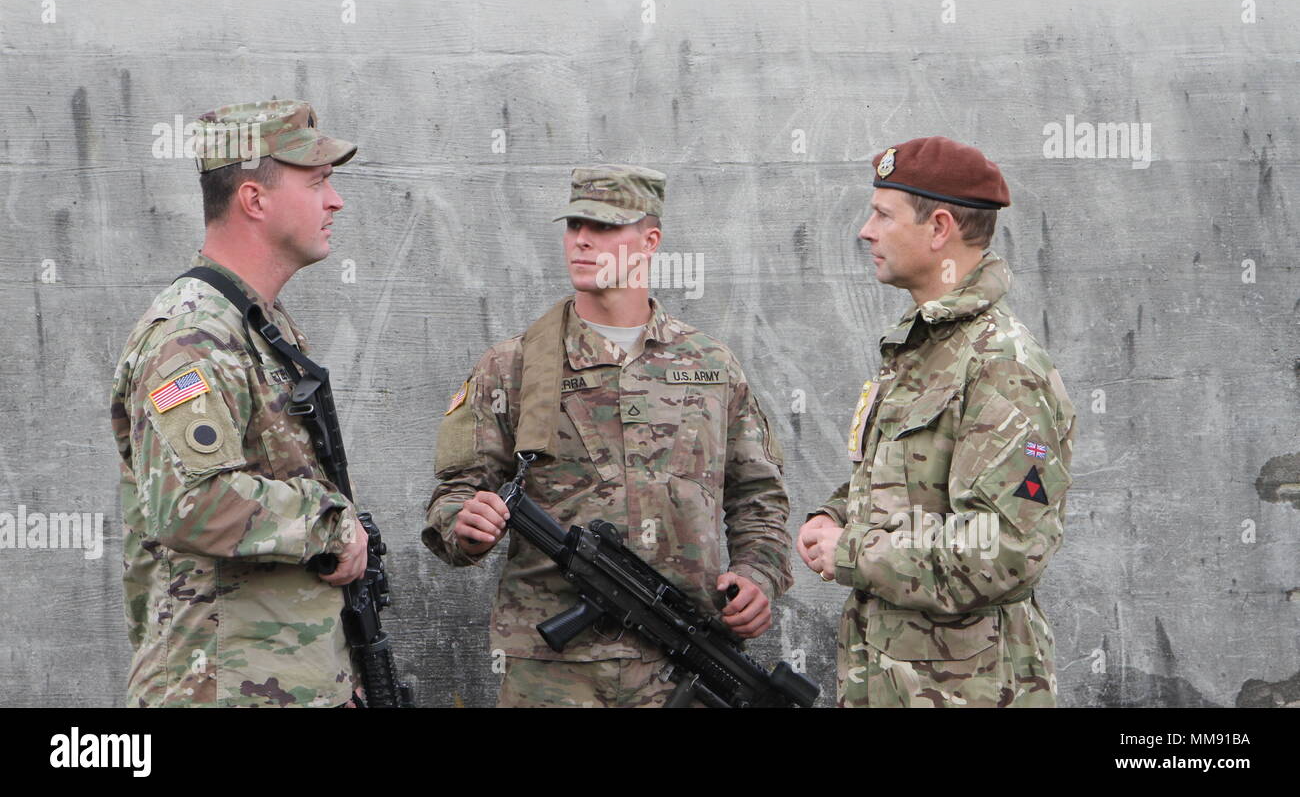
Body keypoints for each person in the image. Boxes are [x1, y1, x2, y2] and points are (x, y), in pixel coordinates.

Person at [423, 164, 793, 707]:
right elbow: (455, 495)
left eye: (603, 228)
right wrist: (465, 524)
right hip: (552, 670)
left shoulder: (712, 367)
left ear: (650, 241)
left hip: (679, 664)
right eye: (575, 226)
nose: (583, 241)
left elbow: (759, 495)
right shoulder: (516, 366)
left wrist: (757, 576)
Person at [797, 136, 1076, 708]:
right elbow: (903, 484)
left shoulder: (1000, 365)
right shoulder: (925, 348)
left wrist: (851, 550)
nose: (865, 231)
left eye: (882, 214)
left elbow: (1003, 551)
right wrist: (836, 511)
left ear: (939, 227)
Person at [110, 99, 369, 707]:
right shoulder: (191, 336)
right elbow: (192, 503)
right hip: (217, 688)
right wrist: (331, 522)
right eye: (318, 182)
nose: (336, 201)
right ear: (255, 200)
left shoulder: (258, 323)